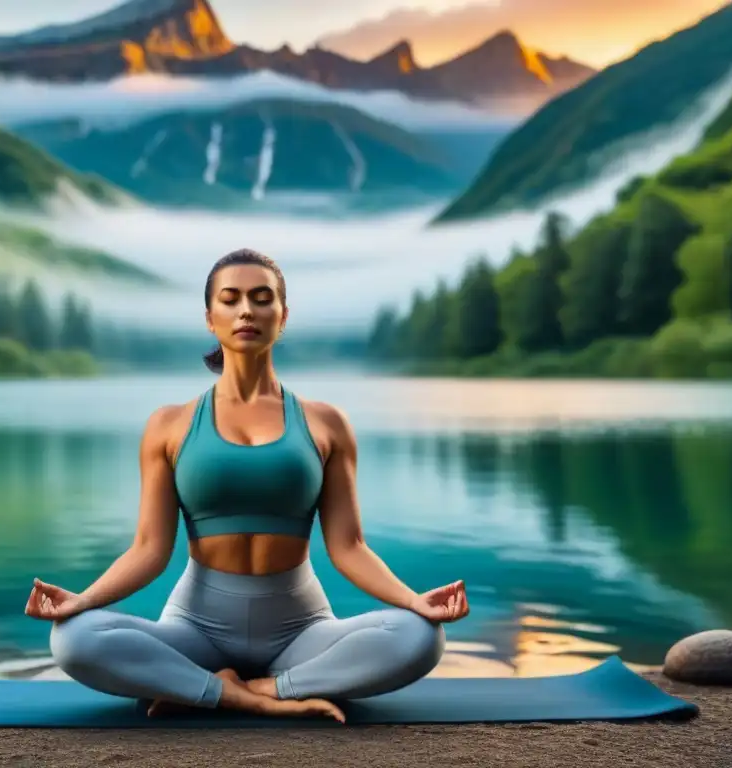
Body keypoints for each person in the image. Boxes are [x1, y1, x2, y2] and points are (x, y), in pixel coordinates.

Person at [24, 248, 470, 723]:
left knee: (422, 636)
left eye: (262, 299)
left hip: (300, 629)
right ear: (210, 318)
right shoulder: (169, 425)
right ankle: (238, 695)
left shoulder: (326, 423)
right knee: (71, 638)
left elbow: (349, 546)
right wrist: (83, 601)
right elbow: (150, 549)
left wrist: (413, 600)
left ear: (282, 317)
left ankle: (255, 687)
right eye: (230, 299)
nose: (246, 311)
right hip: (196, 629)